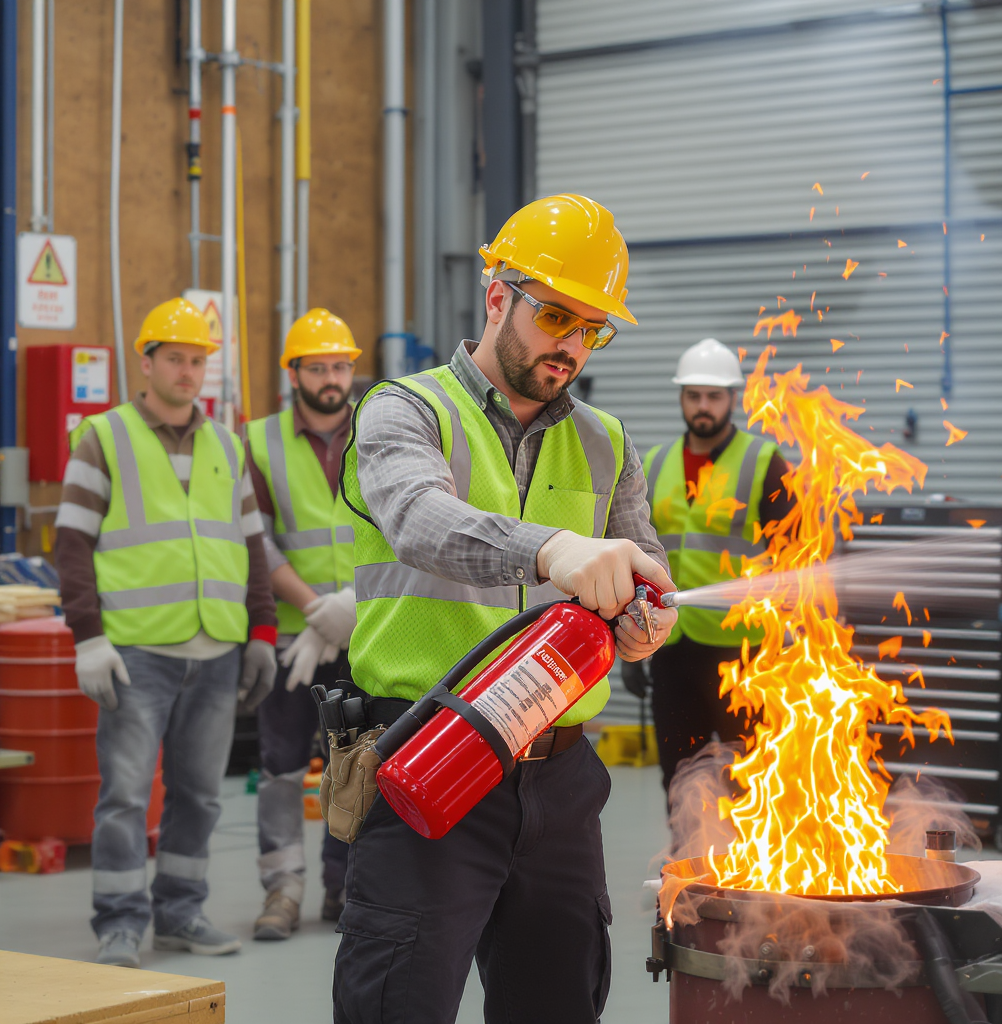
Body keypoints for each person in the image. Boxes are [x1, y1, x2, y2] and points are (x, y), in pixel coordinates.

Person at [333, 193, 678, 1024]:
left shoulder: (608, 440)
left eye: (591, 327)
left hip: (559, 780)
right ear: (498, 297)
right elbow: (420, 520)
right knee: (398, 1005)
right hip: (429, 758)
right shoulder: (404, 410)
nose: (571, 344)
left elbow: (647, 563)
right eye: (556, 314)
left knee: (558, 1003)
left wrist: (646, 618)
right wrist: (554, 549)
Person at [54, 298, 278, 968]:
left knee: (201, 795)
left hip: (216, 650)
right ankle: (119, 924)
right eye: (175, 358)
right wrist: (88, 638)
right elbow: (71, 542)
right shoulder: (105, 437)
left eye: (198, 360)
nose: (188, 371)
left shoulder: (225, 445)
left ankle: (180, 913)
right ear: (145, 362)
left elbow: (251, 545)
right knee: (125, 794)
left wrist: (262, 630)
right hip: (136, 652)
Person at [626, 338, 795, 792]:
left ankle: (753, 864)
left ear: (732, 399)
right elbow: (635, 555)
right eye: (693, 394)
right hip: (671, 648)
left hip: (743, 653)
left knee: (751, 781)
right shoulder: (654, 463)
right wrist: (629, 638)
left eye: (714, 395)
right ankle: (689, 864)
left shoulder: (765, 463)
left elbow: (797, 559)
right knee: (681, 778)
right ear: (681, 397)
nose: (703, 406)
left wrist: (793, 641)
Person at [245, 309, 360, 939]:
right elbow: (254, 538)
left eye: (340, 366)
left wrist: (350, 605)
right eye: (317, 367)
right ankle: (282, 890)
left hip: (368, 627)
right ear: (293, 373)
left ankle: (346, 888)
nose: (331, 378)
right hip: (297, 633)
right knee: (283, 763)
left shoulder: (380, 429)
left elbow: (403, 530)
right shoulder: (256, 441)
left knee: (356, 763)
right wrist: (316, 609)